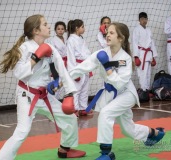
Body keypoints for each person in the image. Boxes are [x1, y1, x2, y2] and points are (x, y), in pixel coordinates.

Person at [67, 22, 165, 159]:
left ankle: (106, 154)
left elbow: (119, 84)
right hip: (110, 94)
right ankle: (154, 134)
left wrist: (108, 67)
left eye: (112, 33)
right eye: (107, 32)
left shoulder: (125, 58)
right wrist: (61, 81)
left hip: (126, 93)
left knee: (106, 114)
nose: (107, 35)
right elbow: (83, 67)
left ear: (121, 38)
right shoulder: (101, 53)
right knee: (128, 129)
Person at [0, 14, 86, 160]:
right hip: (27, 95)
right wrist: (35, 58)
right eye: (45, 24)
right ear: (36, 30)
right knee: (22, 131)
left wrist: (69, 93)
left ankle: (64, 149)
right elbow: (19, 74)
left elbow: (61, 69)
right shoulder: (24, 49)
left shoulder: (50, 48)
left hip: (45, 96)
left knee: (70, 118)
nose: (49, 26)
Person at [66, 19, 92, 117]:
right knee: (76, 90)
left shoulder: (81, 38)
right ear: (77, 28)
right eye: (82, 27)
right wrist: (74, 72)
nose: (84, 28)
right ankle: (75, 109)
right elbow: (71, 57)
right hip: (77, 66)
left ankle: (83, 108)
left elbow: (87, 52)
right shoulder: (71, 40)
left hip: (85, 66)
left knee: (85, 88)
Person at [132, 12, 157, 93]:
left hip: (149, 54)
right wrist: (136, 56)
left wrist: (154, 56)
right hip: (141, 55)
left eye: (145, 19)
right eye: (142, 19)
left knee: (148, 73)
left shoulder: (149, 30)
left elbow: (152, 43)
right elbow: (134, 43)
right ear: (139, 20)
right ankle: (143, 90)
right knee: (142, 73)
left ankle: (147, 90)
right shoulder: (136, 29)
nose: (144, 21)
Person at [48, 21, 67, 100]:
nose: (60, 30)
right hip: (57, 63)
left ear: (65, 30)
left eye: (62, 29)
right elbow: (51, 54)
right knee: (57, 81)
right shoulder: (52, 40)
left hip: (66, 62)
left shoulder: (66, 39)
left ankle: (61, 101)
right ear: (55, 30)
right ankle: (54, 101)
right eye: (58, 29)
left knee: (64, 83)